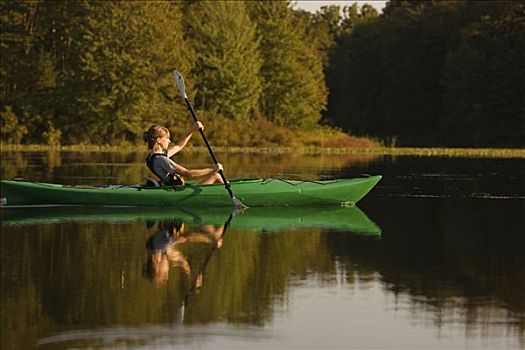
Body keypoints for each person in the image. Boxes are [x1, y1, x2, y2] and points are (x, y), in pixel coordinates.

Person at [142, 123, 223, 186]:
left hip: (176, 187)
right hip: (177, 190)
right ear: (158, 140)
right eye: (167, 138)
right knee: (215, 176)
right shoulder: (161, 159)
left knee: (215, 176)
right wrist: (212, 170)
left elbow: (179, 146)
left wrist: (192, 129)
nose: (169, 141)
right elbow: (188, 174)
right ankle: (231, 194)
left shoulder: (154, 156)